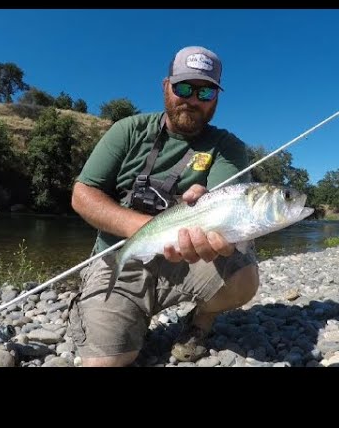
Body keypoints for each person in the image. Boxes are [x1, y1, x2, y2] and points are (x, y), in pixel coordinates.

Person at [67, 45, 259, 367]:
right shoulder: (128, 130)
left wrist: (217, 223)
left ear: (216, 98)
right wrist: (147, 230)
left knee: (243, 277)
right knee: (107, 362)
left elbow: (230, 204)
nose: (192, 99)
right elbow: (83, 195)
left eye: (205, 92)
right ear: (165, 86)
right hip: (120, 255)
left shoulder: (227, 148)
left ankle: (200, 321)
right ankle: (113, 312)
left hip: (187, 257)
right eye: (183, 87)